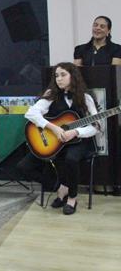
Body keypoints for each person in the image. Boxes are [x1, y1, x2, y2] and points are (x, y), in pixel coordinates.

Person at [17, 62, 98, 215]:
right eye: (56, 76)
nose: (58, 79)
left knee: (71, 159)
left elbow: (96, 127)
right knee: (23, 166)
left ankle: (72, 198)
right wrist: (53, 127)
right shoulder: (51, 95)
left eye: (63, 75)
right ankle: (61, 186)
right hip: (54, 141)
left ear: (73, 76)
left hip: (78, 142)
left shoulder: (86, 98)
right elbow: (31, 113)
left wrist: (76, 132)